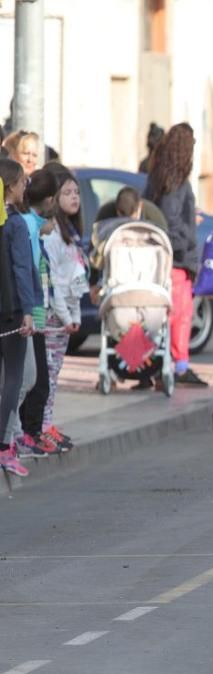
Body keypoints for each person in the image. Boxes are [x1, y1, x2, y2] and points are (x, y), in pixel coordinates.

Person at [144, 122, 208, 387]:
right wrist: (188, 237)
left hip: (160, 257)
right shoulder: (177, 181)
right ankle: (178, 367)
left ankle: (150, 365)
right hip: (177, 259)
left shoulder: (156, 175)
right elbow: (170, 220)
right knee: (179, 315)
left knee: (156, 316)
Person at [13, 169, 57, 458]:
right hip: (27, 312)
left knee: (36, 375)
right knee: (30, 378)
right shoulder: (26, 225)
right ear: (51, 199)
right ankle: (21, 435)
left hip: (35, 311)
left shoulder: (33, 224)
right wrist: (29, 311)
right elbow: (24, 269)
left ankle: (24, 434)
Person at [42, 171, 86, 452]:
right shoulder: (53, 235)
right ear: (55, 199)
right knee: (46, 373)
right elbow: (56, 282)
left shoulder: (69, 232)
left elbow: (75, 279)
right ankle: (39, 427)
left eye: (76, 193)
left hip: (67, 318)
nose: (75, 198)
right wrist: (68, 318)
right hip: (54, 317)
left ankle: (47, 424)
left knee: (54, 372)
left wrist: (76, 316)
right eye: (68, 193)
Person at [0, 159, 38, 477]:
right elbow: (22, 270)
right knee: (14, 379)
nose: (26, 187)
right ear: (10, 186)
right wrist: (28, 311)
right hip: (11, 313)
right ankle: (3, 448)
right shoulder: (16, 224)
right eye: (23, 181)